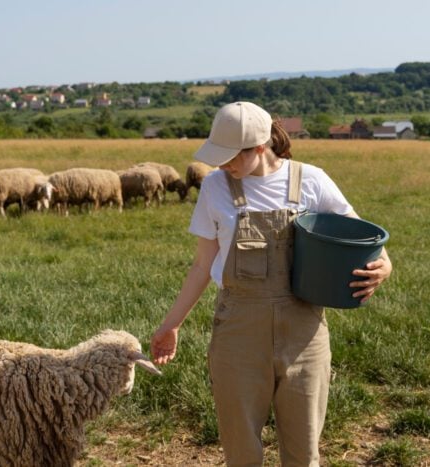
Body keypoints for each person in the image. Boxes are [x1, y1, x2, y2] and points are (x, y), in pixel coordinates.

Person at [150, 101, 392, 466]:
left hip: (304, 334)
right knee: (241, 450)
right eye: (219, 156)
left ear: (260, 147)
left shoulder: (311, 180)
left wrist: (384, 264)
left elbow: (363, 237)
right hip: (238, 333)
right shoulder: (215, 187)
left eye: (232, 157)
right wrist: (171, 325)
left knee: (303, 452)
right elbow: (202, 264)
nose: (224, 165)